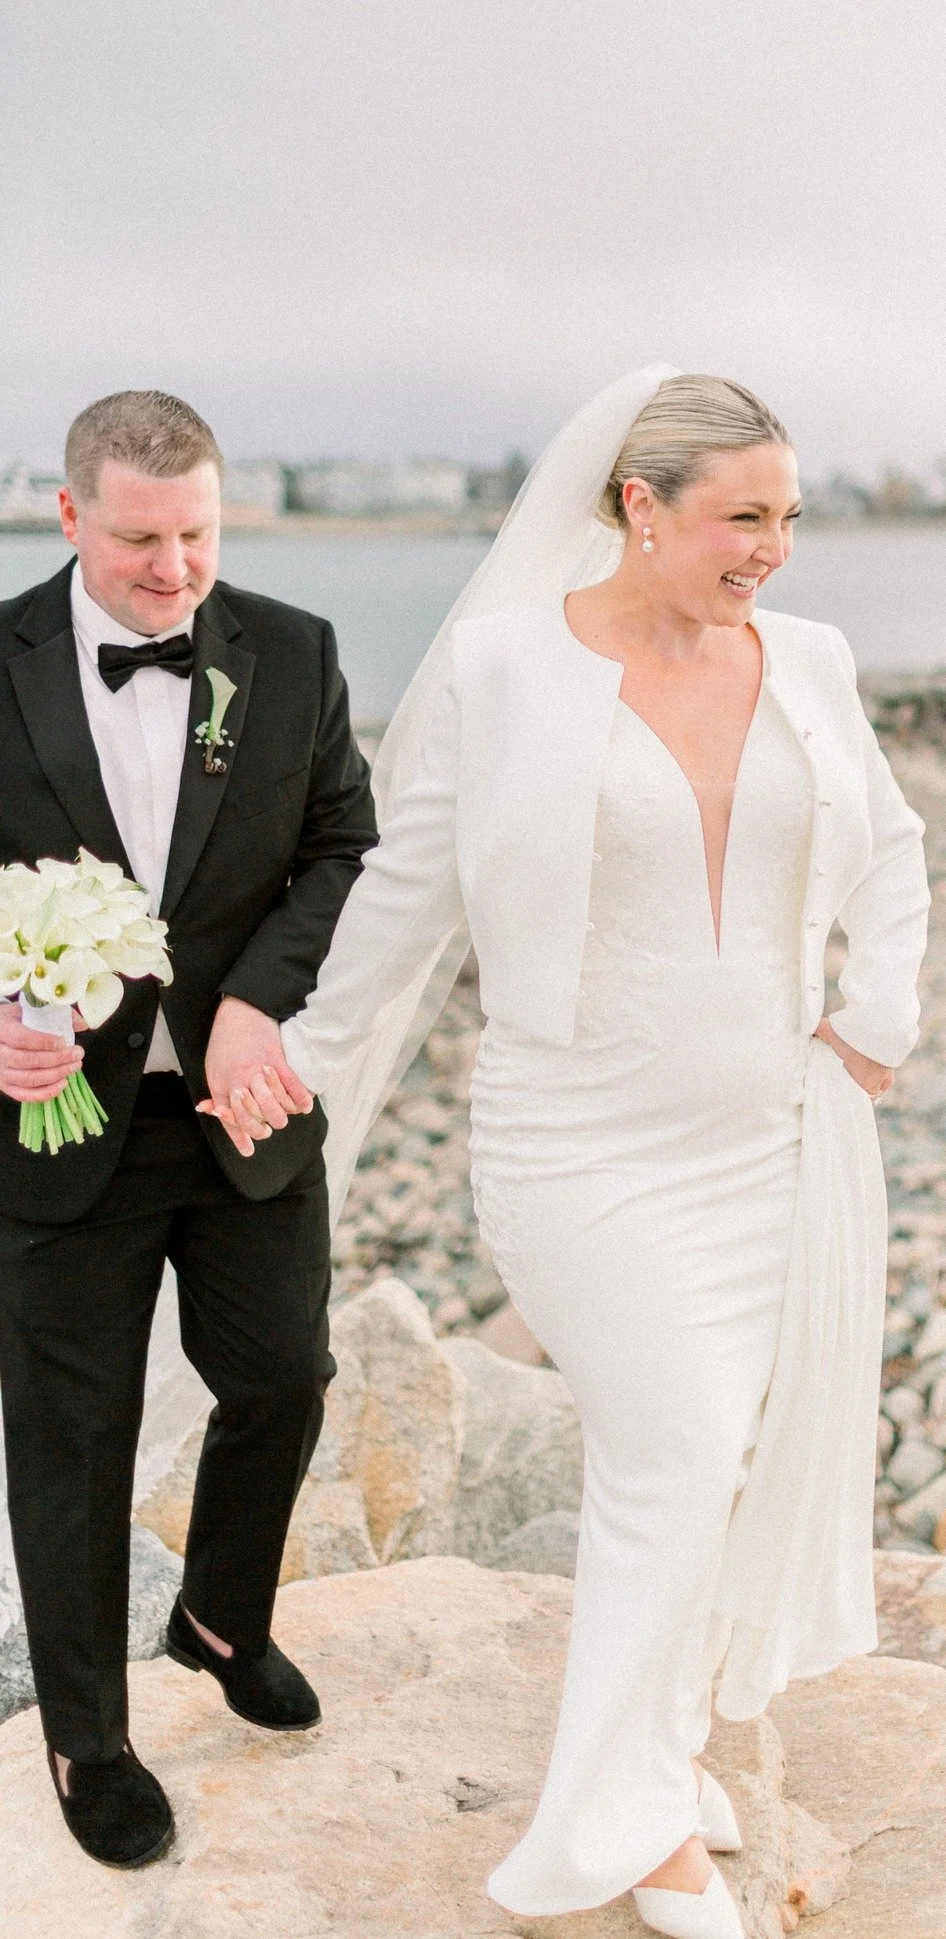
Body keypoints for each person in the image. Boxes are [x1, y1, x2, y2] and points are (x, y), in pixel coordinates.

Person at [273, 367, 929, 1938]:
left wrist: (874, 1016)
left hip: (769, 1138)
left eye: (788, 515)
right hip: (579, 1146)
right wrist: (297, 1053)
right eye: (741, 515)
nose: (774, 546)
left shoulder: (810, 662)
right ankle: (626, 1829)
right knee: (676, 1449)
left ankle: (659, 1743)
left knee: (713, 1458)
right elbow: (405, 894)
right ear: (640, 505)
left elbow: (891, 844)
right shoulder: (506, 671)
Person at [0, 391, 376, 1868]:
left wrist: (256, 1004)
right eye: (145, 540)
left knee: (285, 1371)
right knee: (73, 1436)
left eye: (201, 535)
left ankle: (221, 1614)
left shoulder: (292, 651)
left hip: (243, 1108)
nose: (177, 572)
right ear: (70, 513)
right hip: (53, 1127)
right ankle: (88, 1736)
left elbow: (343, 838)